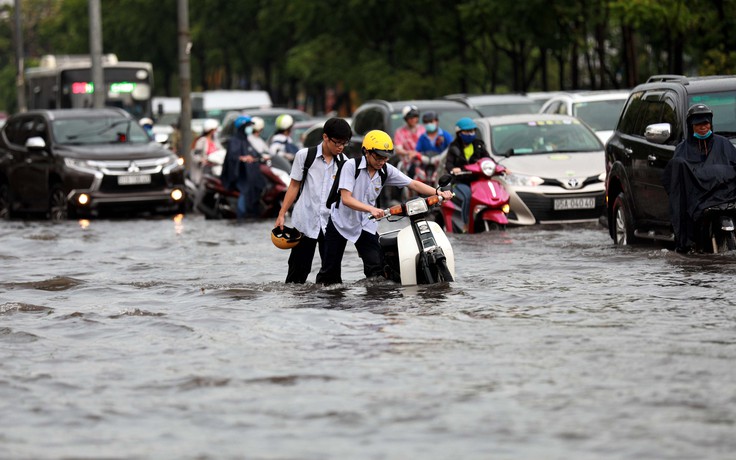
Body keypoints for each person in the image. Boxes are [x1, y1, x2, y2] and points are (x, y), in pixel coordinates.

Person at [316, 130, 454, 285]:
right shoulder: (350, 166)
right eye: (378, 157)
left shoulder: (386, 170)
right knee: (330, 274)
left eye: (385, 157)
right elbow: (346, 199)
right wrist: (371, 209)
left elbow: (413, 183)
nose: (382, 161)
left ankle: (374, 303)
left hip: (365, 224)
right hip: (340, 222)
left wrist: (438, 192)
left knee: (377, 271)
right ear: (366, 152)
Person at [274, 118, 352, 283]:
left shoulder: (345, 162)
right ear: (325, 137)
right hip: (305, 222)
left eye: (344, 143)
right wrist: (282, 214)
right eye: (337, 142)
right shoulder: (305, 156)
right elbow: (294, 186)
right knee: (297, 276)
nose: (340, 147)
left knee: (332, 279)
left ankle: (329, 308)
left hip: (331, 224)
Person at [662, 104, 736, 252]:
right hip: (697, 204)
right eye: (698, 124)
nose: (703, 127)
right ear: (691, 126)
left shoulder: (724, 144)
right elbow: (677, 180)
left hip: (724, 199)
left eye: (706, 123)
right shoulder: (682, 150)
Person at [445, 117, 491, 233]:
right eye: (467, 131)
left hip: (478, 180)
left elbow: (488, 159)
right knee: (468, 197)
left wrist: (501, 168)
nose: (470, 134)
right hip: (460, 182)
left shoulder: (479, 144)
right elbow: (448, 165)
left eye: (472, 131)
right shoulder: (454, 147)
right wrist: (454, 169)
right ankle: (467, 223)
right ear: (459, 133)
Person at [220, 115, 266, 220]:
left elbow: (255, 153)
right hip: (240, 174)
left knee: (259, 185)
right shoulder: (234, 141)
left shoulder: (246, 140)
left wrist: (259, 157)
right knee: (245, 190)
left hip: (250, 173)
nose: (250, 128)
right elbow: (232, 157)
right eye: (248, 126)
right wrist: (242, 158)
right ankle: (241, 215)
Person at [414, 111, 452, 184]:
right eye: (426, 122)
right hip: (426, 165)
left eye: (431, 121)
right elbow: (417, 151)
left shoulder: (445, 135)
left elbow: (452, 147)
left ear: (437, 121)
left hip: (442, 165)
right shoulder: (422, 137)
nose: (429, 124)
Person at [393, 105, 425, 177]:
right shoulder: (400, 132)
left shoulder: (423, 130)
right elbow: (398, 149)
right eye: (410, 117)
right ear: (406, 119)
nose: (413, 119)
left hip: (424, 161)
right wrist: (409, 153)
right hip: (408, 164)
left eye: (415, 116)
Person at [191, 118, 221, 183]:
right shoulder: (201, 141)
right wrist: (202, 160)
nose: (215, 132)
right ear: (210, 130)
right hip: (205, 170)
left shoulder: (215, 141)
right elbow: (195, 155)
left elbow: (221, 151)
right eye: (214, 130)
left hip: (215, 169)